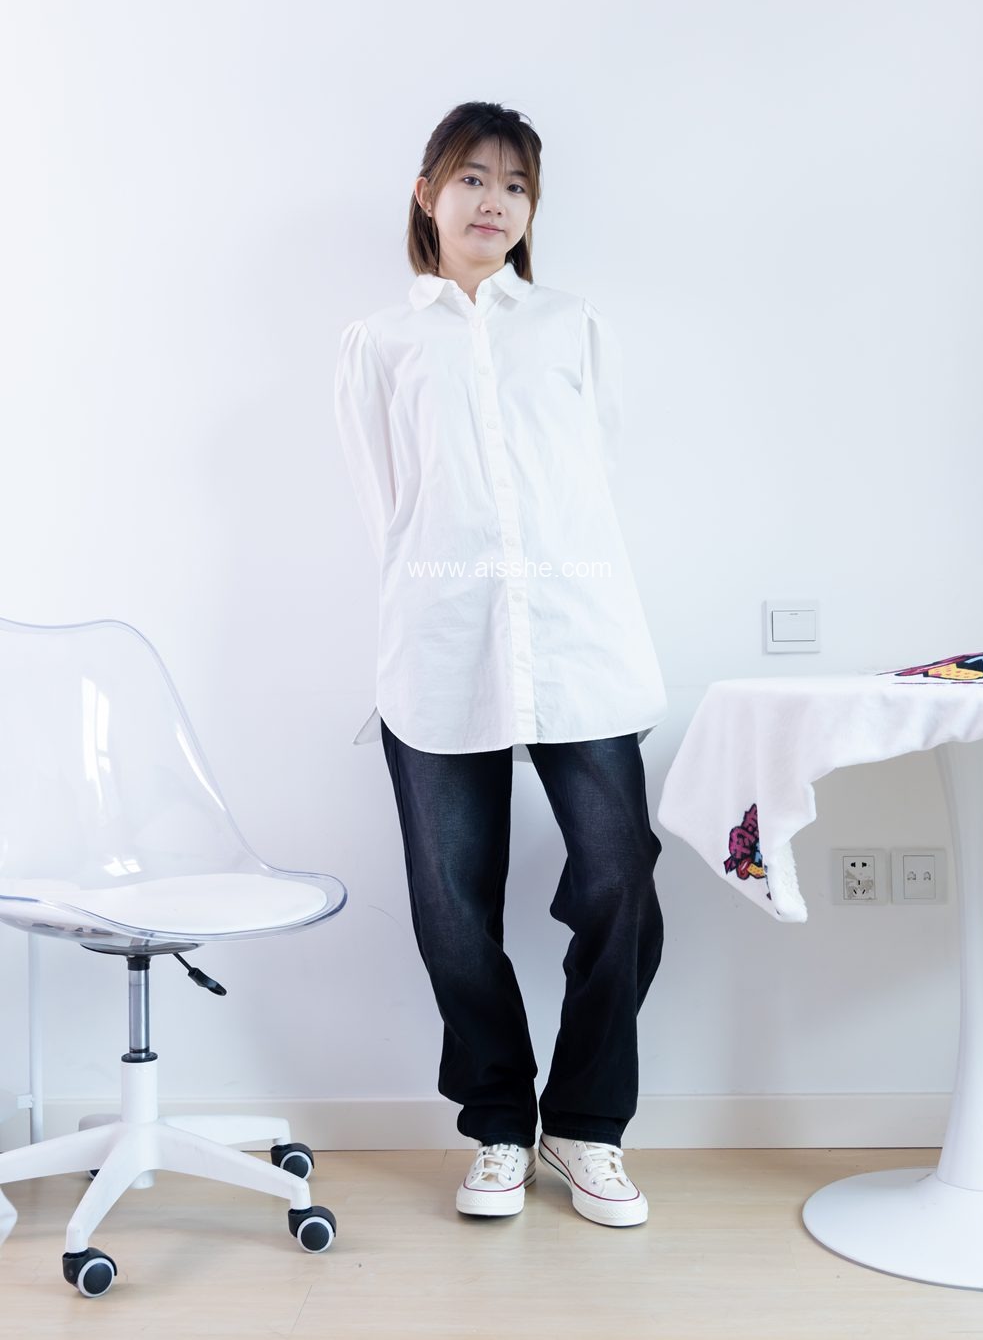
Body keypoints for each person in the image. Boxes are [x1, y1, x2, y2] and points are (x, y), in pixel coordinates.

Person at [333, 100, 668, 1228]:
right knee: (451, 907)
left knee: (619, 876)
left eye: (516, 185)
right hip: (439, 646)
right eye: (472, 177)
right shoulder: (381, 343)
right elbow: (388, 507)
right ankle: (497, 1123)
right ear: (427, 191)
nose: (494, 201)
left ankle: (584, 1122)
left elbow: (592, 479)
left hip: (577, 642)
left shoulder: (571, 325)